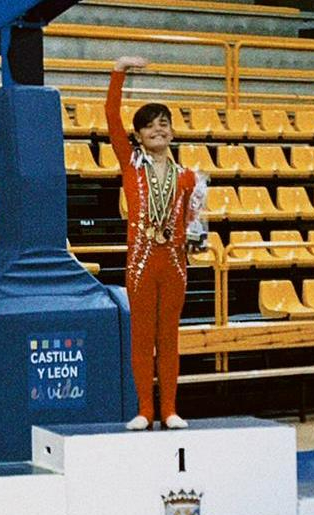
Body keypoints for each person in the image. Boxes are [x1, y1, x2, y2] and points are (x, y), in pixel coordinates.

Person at [107, 56, 207, 431]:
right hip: (141, 259)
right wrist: (119, 71)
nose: (158, 130)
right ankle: (144, 409)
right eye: (149, 126)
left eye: (164, 124)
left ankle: (169, 409)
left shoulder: (189, 178)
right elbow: (111, 118)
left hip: (176, 262)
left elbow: (194, 220)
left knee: (169, 337)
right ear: (138, 136)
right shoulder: (131, 166)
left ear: (173, 133)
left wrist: (198, 238)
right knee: (142, 336)